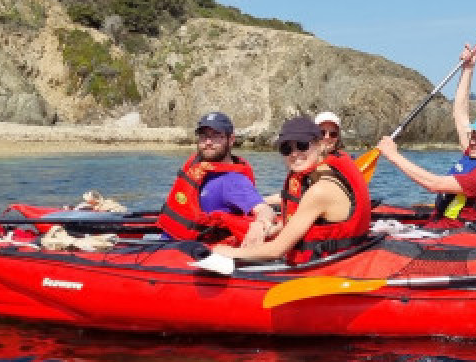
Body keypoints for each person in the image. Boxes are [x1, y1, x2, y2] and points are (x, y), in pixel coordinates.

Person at [375, 45, 476, 228]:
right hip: (439, 226)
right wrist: (468, 69)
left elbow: (434, 184)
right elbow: (460, 112)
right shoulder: (473, 152)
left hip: (456, 236)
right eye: (474, 135)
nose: (474, 141)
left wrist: (393, 155)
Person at [208, 116, 372, 265]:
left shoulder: (321, 190)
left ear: (320, 145)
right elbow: (303, 217)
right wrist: (269, 228)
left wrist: (226, 252)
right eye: (287, 148)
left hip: (331, 266)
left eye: (302, 145)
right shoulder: (321, 170)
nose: (294, 154)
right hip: (341, 256)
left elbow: (276, 250)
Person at [157, 111, 276, 244]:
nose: (208, 142)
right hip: (169, 241)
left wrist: (260, 224)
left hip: (190, 251)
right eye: (204, 136)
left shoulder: (233, 181)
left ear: (231, 140)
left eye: (216, 136)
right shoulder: (198, 167)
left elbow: (265, 210)